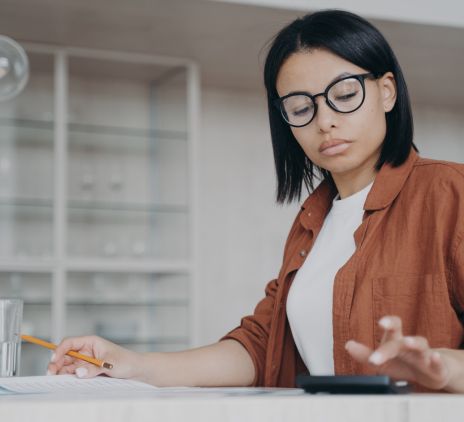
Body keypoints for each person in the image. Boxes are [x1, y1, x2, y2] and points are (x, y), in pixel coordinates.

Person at [47, 10, 464, 393]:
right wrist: (130, 363)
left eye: (345, 93)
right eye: (301, 107)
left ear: (387, 92)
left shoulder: (449, 194)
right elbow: (262, 346)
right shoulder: (311, 222)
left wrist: (445, 368)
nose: (325, 121)